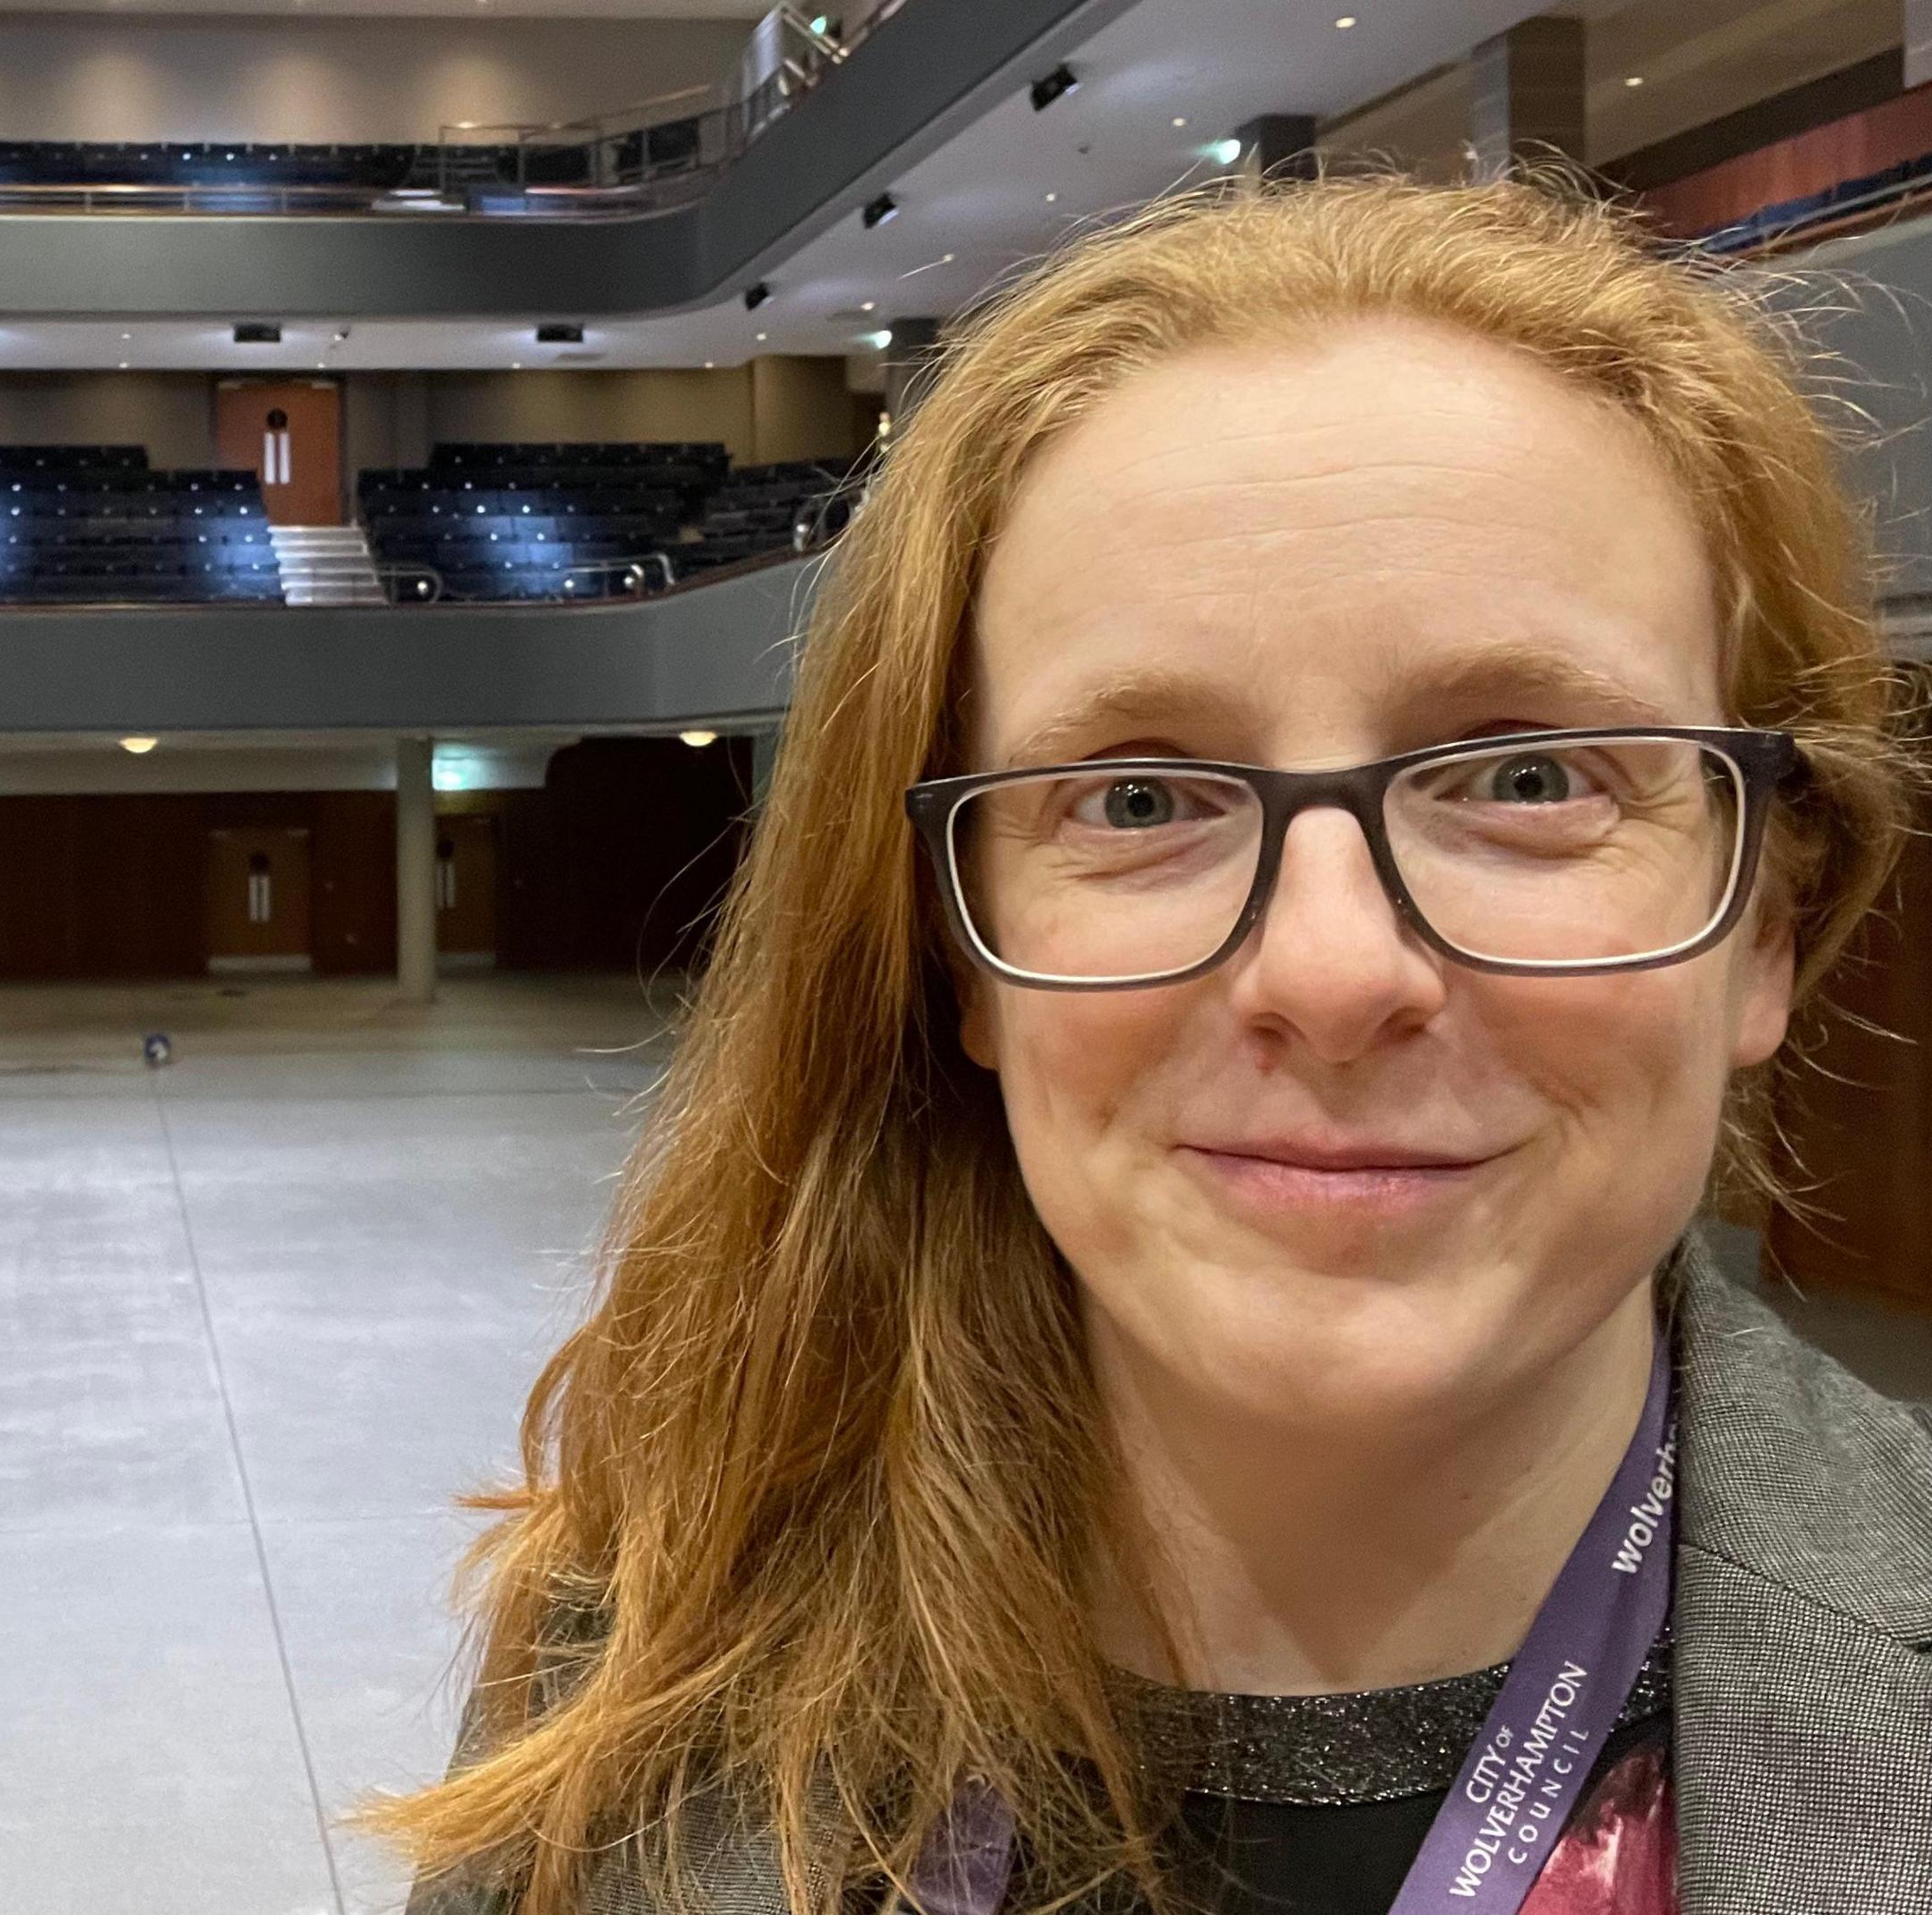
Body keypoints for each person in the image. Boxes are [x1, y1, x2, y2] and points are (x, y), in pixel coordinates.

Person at [360, 174, 1929, 1915]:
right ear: (962, 947)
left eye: (1530, 776)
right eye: (1136, 796)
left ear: (1769, 918)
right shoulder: (640, 1649)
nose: (1332, 972)